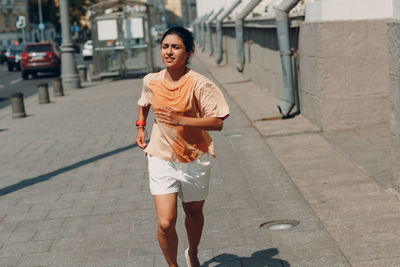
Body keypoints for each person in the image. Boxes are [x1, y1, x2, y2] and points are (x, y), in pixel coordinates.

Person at [136, 26, 229, 267]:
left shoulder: (199, 84)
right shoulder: (151, 80)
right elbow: (145, 101)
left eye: (175, 47)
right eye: (165, 46)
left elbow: (217, 122)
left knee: (194, 213)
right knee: (166, 223)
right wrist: (140, 126)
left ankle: (193, 251)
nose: (168, 52)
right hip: (161, 155)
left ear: (188, 52)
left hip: (195, 157)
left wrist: (181, 120)